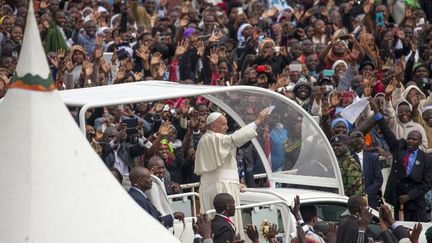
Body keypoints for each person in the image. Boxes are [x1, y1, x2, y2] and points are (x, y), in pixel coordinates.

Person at [195, 108, 270, 234]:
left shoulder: (212, 138)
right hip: (220, 187)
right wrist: (257, 122)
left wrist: (235, 182)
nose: (227, 126)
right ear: (214, 126)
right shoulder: (211, 138)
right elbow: (234, 139)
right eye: (223, 124)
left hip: (224, 184)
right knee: (225, 226)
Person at [370, 98, 432, 222]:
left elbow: (427, 183)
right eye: (409, 138)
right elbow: (386, 132)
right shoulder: (399, 148)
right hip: (398, 198)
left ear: (420, 142)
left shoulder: (426, 159)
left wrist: (409, 196)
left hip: (416, 202)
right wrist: (377, 112)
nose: (410, 141)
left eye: (414, 139)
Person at [349, 130, 383, 209]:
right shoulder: (347, 157)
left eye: (360, 137)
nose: (358, 139)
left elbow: (378, 180)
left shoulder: (373, 158)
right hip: (350, 198)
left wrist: (365, 193)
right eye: (354, 138)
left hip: (369, 199)